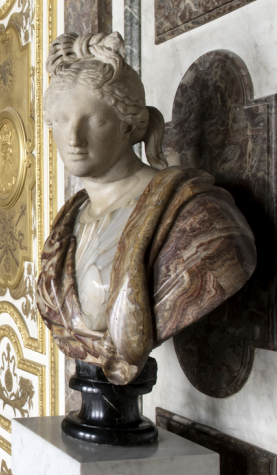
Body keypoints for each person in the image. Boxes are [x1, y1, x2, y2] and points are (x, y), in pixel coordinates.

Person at [36, 32, 256, 385]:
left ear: (130, 125)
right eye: (61, 120)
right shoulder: (69, 220)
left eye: (94, 120)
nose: (73, 138)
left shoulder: (198, 221)